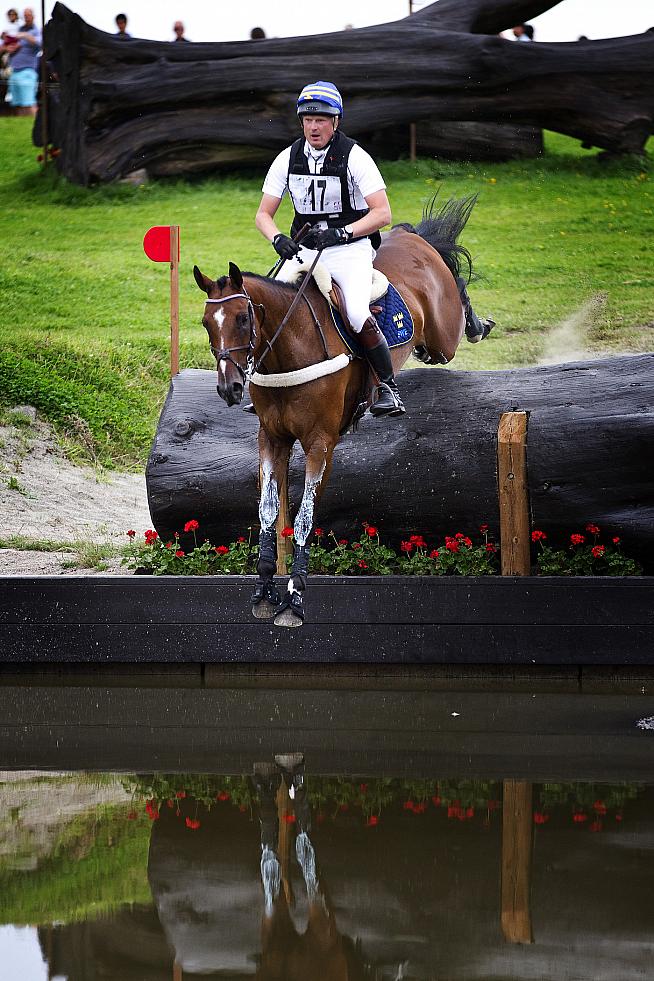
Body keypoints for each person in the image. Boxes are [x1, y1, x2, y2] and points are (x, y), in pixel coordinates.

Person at [255, 81, 404, 418]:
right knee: (270, 305)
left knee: (356, 312)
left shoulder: (355, 156)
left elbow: (383, 213)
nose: (313, 127)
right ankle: (264, 382)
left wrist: (343, 232)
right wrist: (277, 238)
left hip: (350, 249)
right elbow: (263, 215)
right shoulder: (287, 158)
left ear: (335, 122)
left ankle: (387, 387)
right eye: (308, 120)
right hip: (305, 248)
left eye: (321, 120)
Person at [1, 6, 40, 115]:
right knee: (17, 104)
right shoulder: (17, 29)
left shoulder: (35, 31)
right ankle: (24, 124)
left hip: (27, 71)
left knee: (29, 103)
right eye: (25, 16)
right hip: (13, 71)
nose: (26, 18)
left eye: (28, 15)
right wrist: (7, 47)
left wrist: (24, 35)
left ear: (33, 16)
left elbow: (40, 43)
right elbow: (4, 45)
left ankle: (37, 123)